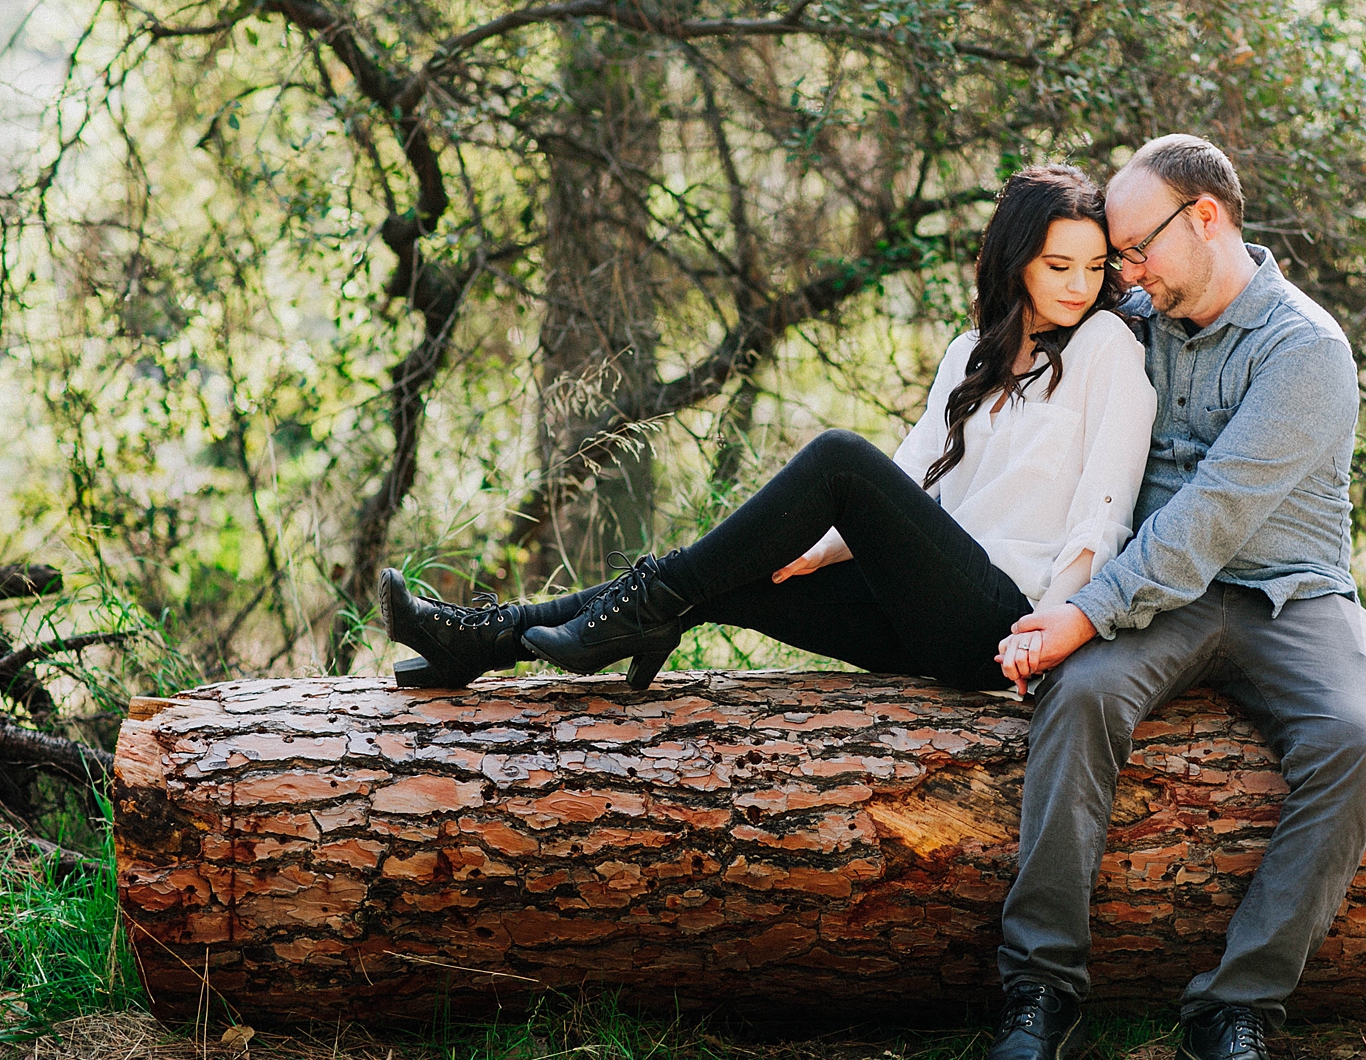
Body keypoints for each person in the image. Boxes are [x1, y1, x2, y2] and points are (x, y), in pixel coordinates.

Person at [378, 163, 1156, 698]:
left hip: (1002, 622)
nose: (1080, 287)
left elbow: (1103, 511)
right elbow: (914, 473)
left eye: (1094, 270)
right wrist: (813, 549)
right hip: (916, 613)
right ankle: (483, 643)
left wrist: (1049, 632)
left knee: (839, 460)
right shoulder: (970, 355)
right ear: (1017, 260)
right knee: (727, 575)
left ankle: (641, 607)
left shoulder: (1105, 348)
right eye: (1060, 267)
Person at [977, 135, 1366, 1060]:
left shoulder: (1306, 350)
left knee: (1357, 743)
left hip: (1293, 592)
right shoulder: (1134, 320)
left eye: (1134, 249)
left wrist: (1083, 613)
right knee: (1076, 699)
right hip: (1154, 593)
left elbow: (1209, 517)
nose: (1123, 272)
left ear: (1205, 219)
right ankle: (1040, 991)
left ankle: (1233, 1011)